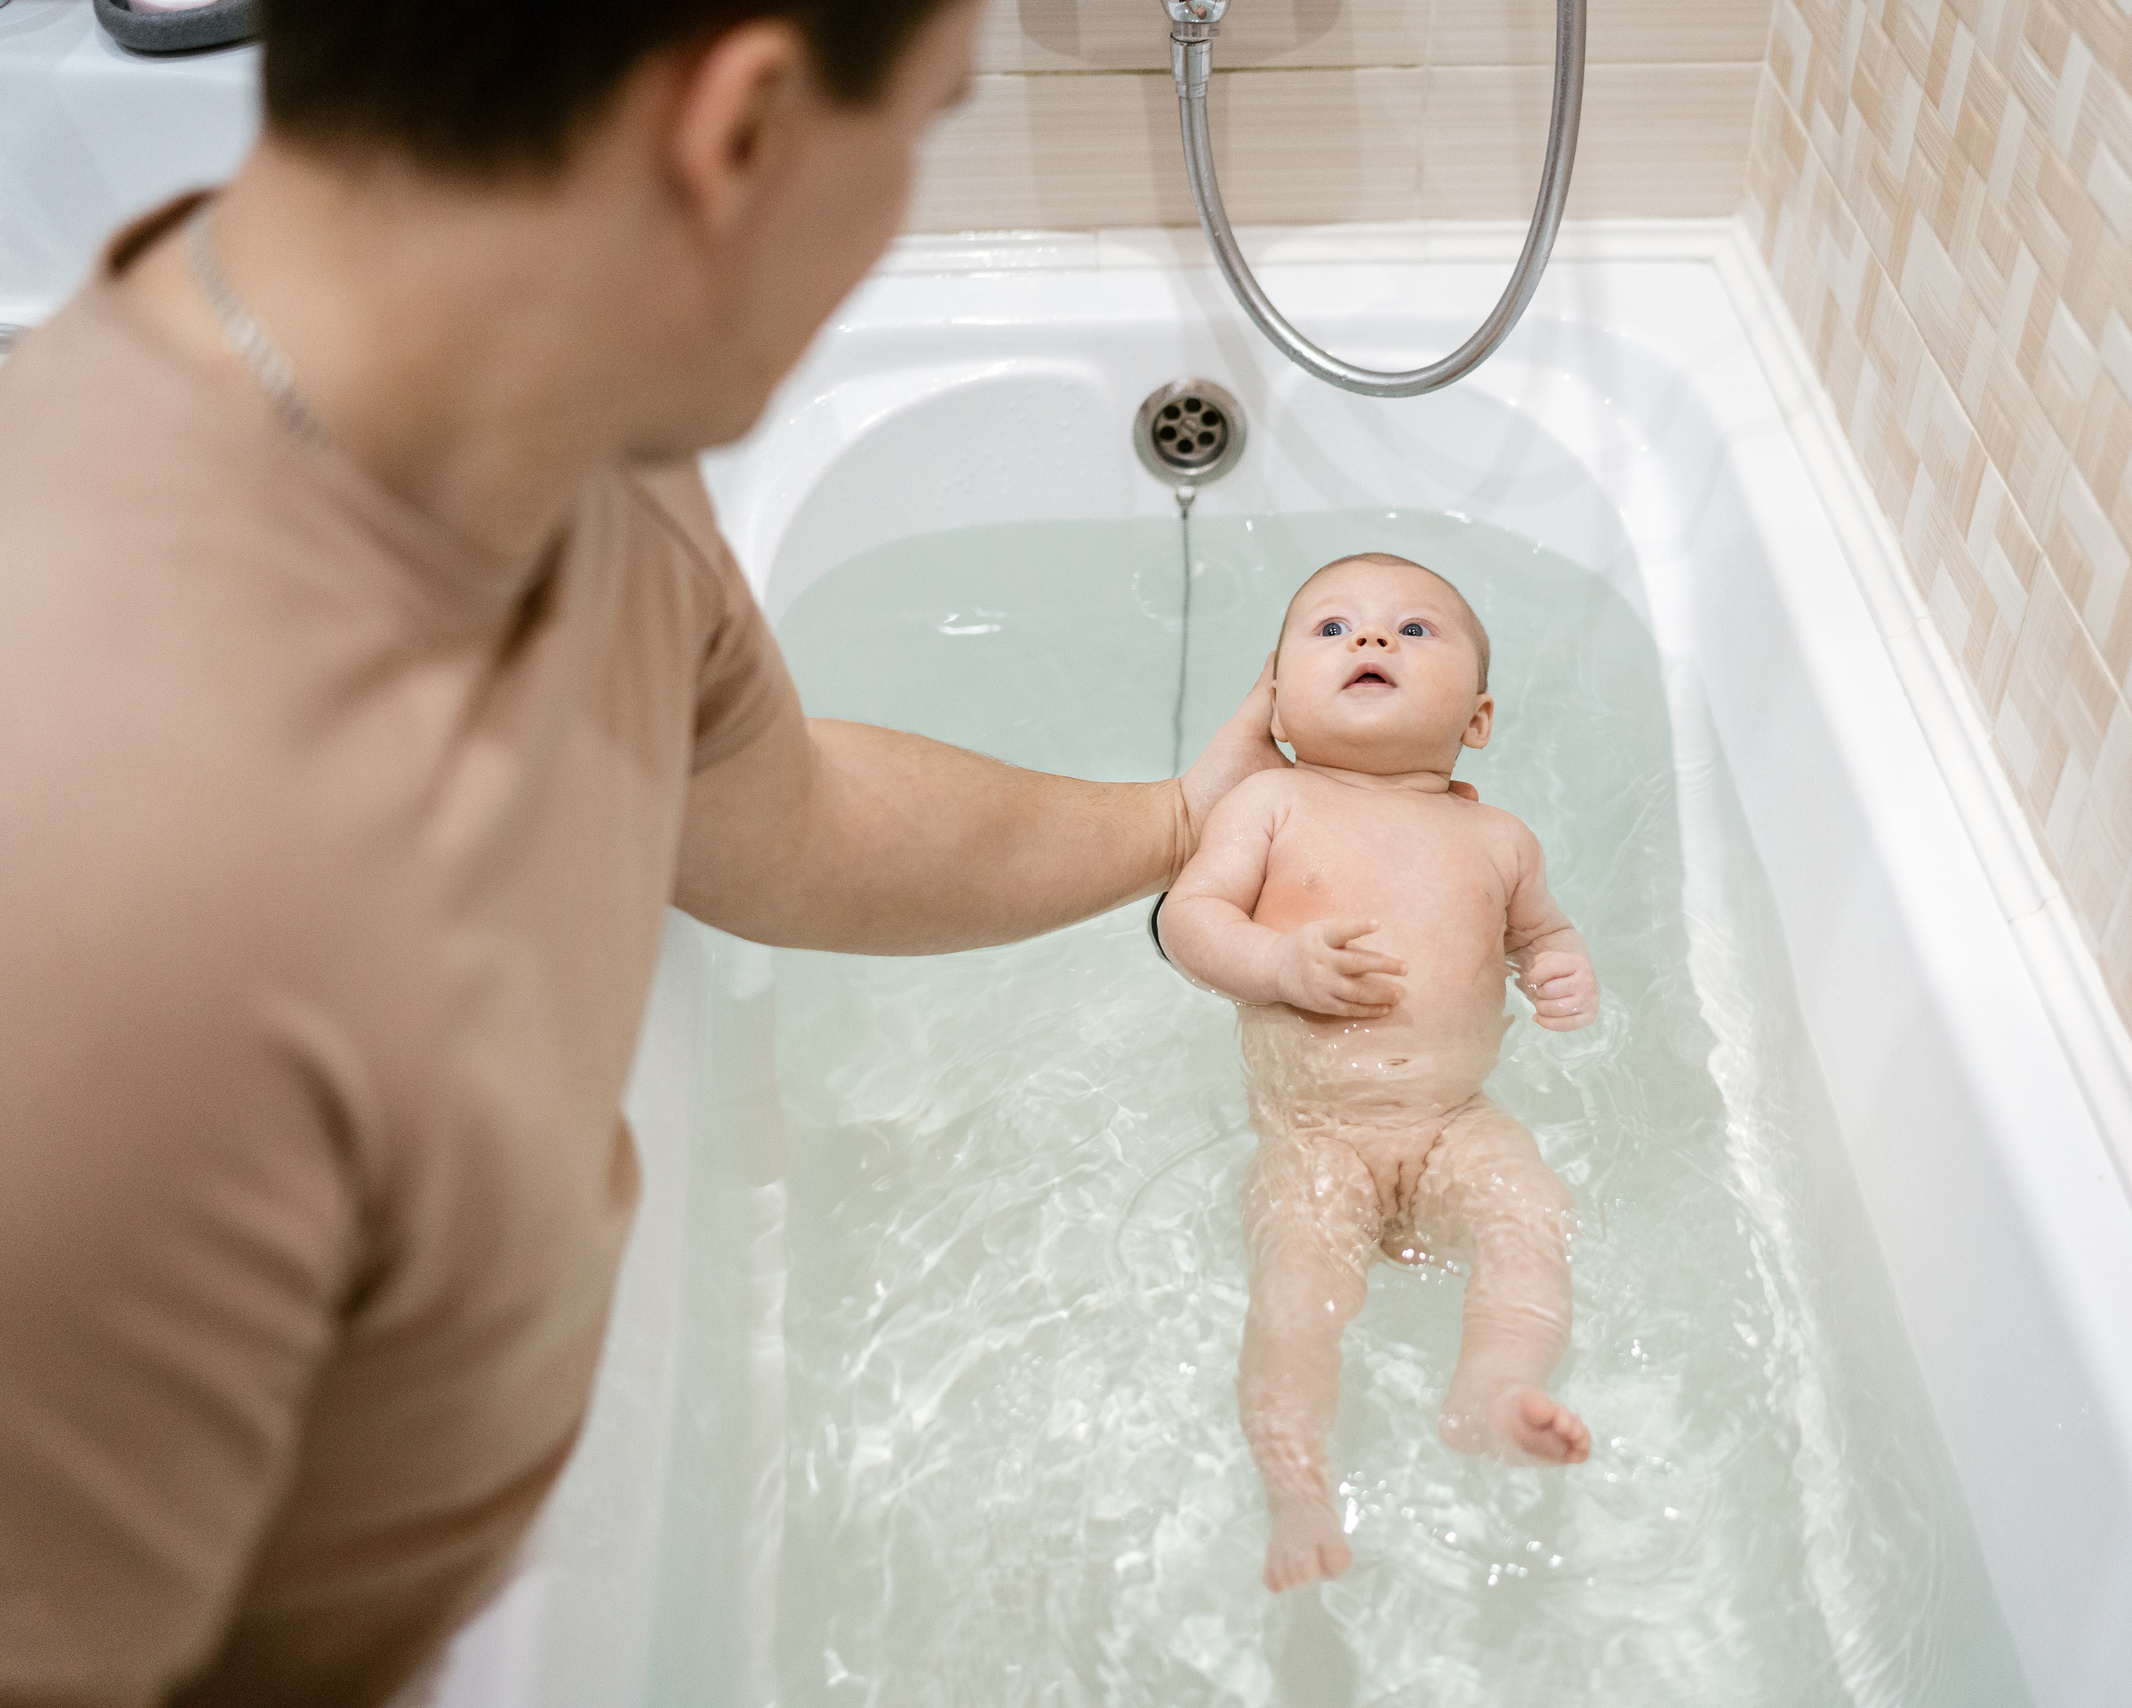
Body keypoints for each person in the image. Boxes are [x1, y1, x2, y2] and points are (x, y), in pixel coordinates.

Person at [0, 2, 1288, 1703]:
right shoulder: (118, 885)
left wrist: (1181, 824)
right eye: (918, 124)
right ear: (739, 129)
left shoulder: (558, 440)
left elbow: (784, 820)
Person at [1155, 553, 1601, 1594]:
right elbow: (1188, 920)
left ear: (1477, 720)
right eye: (1332, 629)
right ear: (1276, 701)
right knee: (1296, 1301)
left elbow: (1542, 935)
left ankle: (1494, 1387)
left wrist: (1559, 969)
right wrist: (1278, 963)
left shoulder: (1499, 836)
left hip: (1455, 1118)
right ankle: (1297, 1488)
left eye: (1412, 630)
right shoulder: (1270, 804)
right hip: (1312, 1133)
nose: (1369, 641)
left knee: (1532, 1216)